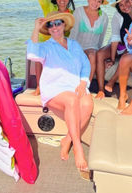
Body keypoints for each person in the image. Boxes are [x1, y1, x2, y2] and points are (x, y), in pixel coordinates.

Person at [27, 11, 93, 173]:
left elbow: (86, 65)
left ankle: (67, 139)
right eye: (50, 24)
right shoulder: (46, 47)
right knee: (72, 100)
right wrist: (36, 28)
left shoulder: (75, 45)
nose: (54, 27)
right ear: (48, 29)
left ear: (64, 25)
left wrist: (84, 82)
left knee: (87, 102)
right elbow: (33, 54)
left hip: (75, 86)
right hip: (54, 89)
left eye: (58, 23)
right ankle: (77, 148)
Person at [95, 0, 132, 99]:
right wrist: (112, 59)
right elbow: (115, 38)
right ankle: (100, 89)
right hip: (118, 46)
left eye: (127, 2)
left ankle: (111, 82)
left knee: (128, 53)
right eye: (121, 5)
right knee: (99, 54)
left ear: (131, 1)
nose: (124, 6)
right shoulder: (117, 16)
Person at [33, 0, 77, 95]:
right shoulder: (50, 7)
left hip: (61, 44)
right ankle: (39, 86)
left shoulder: (72, 14)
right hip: (46, 43)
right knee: (39, 52)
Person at [69, 0, 109, 83]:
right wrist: (71, 52)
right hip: (78, 46)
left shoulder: (104, 17)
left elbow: (101, 39)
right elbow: (73, 34)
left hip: (93, 49)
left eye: (99, 1)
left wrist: (100, 59)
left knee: (92, 55)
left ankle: (86, 86)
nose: (96, 3)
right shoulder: (78, 11)